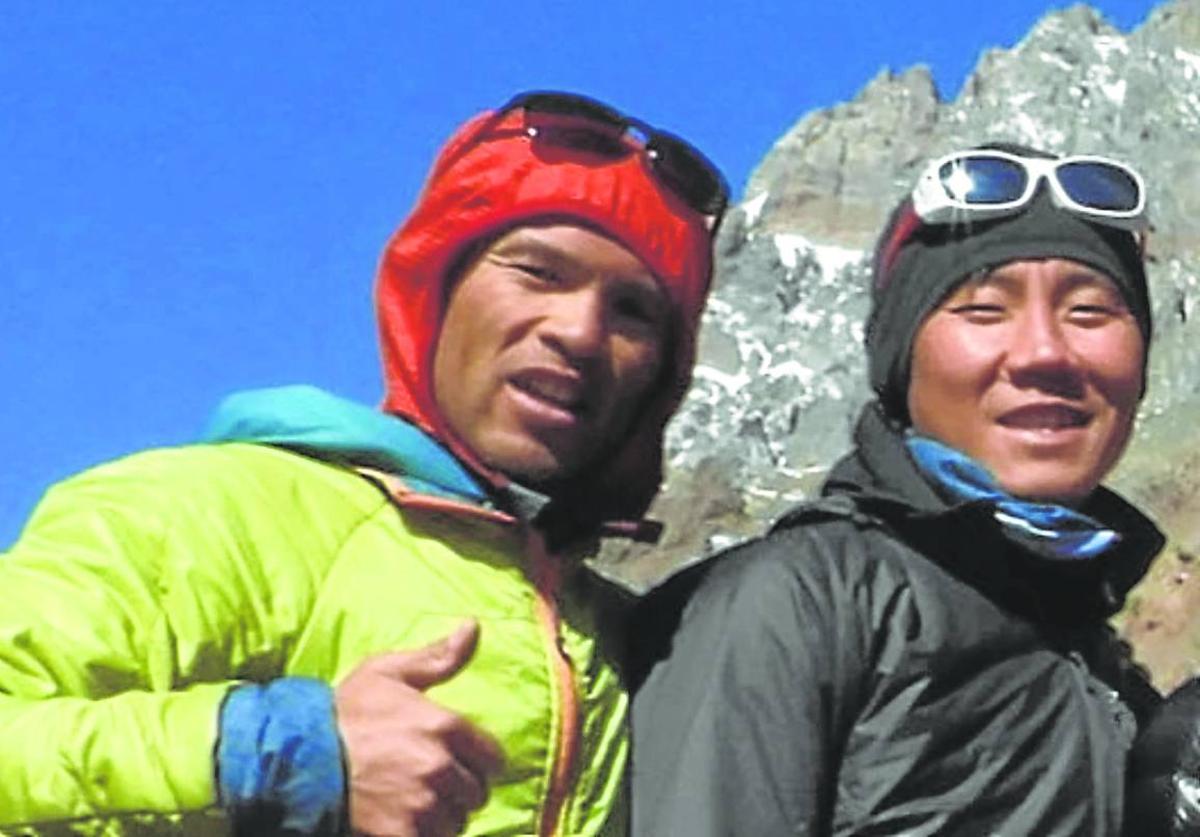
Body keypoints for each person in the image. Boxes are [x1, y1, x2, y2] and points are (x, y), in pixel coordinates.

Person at [0, 90, 726, 835]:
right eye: (538, 271)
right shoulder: (208, 509)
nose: (579, 330)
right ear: (438, 291)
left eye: (634, 312)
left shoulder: (632, 643)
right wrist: (268, 748)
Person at [629, 144, 1163, 836]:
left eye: (1091, 312)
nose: (1045, 352)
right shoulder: (796, 602)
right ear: (902, 361)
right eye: (984, 310)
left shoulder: (1100, 665)